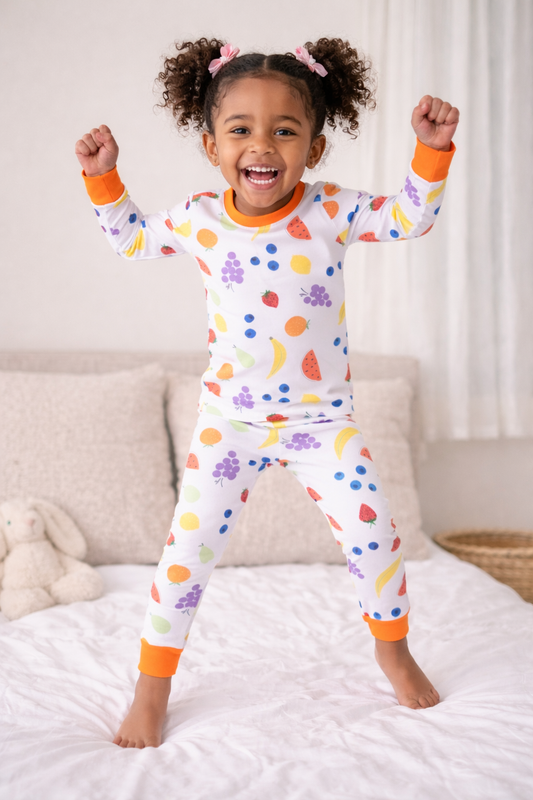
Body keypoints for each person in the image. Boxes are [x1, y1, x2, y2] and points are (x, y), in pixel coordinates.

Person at [75, 37, 458, 748]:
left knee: (376, 535)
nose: (262, 145)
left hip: (323, 424)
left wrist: (430, 153)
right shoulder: (199, 218)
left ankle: (393, 652)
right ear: (210, 145)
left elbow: (409, 216)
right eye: (240, 130)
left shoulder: (332, 209)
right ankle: (152, 687)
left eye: (285, 130)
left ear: (314, 148)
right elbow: (131, 239)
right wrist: (104, 178)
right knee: (186, 553)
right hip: (231, 423)